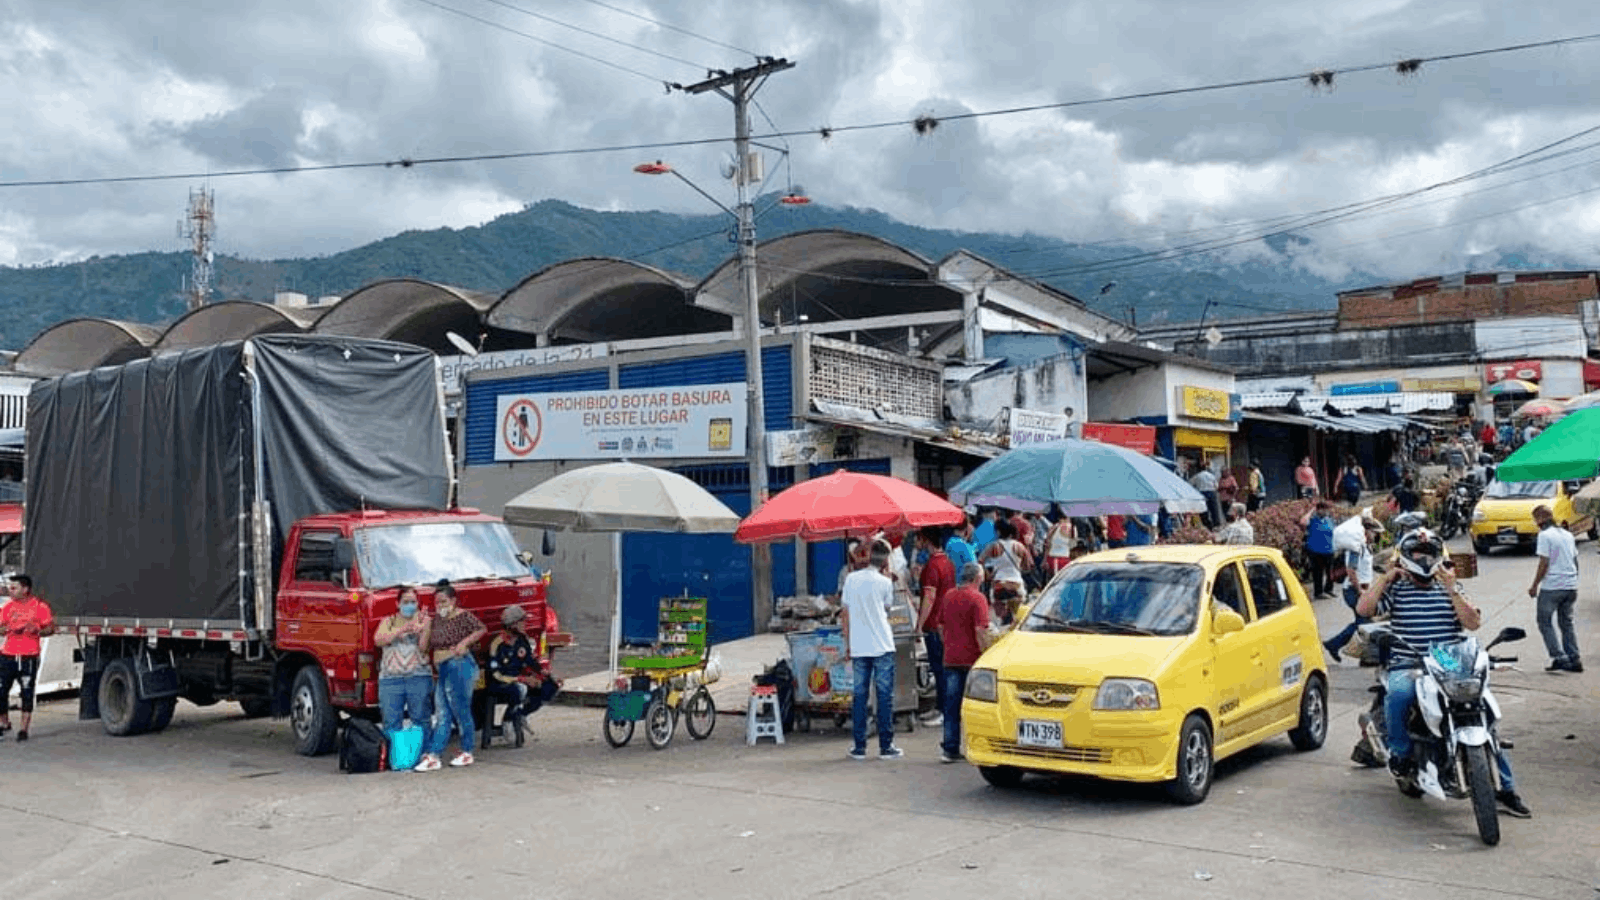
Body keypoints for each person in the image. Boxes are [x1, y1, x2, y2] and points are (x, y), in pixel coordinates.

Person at [1355, 530, 1530, 818]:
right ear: (1406, 556)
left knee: (1482, 713)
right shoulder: (1396, 588)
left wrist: (1452, 589)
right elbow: (1364, 608)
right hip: (1409, 659)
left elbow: (1472, 623)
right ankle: (1399, 754)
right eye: (1417, 553)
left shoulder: (1449, 586)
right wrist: (1385, 578)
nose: (1423, 558)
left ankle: (1507, 789)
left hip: (1448, 661)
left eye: (1429, 553)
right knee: (1399, 694)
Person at [840, 540, 902, 760]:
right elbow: (886, 609)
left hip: (859, 646)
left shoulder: (850, 579)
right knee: (884, 697)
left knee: (859, 697)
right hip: (883, 645)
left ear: (867, 556)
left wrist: (847, 644)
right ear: (885, 560)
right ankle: (886, 746)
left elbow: (844, 615)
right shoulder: (885, 583)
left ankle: (859, 747)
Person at [416, 582, 487, 771]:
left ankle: (467, 750)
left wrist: (464, 643)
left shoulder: (463, 616)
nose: (440, 606)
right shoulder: (435, 620)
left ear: (453, 600)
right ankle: (434, 754)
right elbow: (423, 647)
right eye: (437, 602)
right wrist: (424, 626)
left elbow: (481, 629)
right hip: (442, 668)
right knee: (442, 713)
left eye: (444, 601)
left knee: (460, 709)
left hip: (459, 664)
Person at [938, 562, 992, 764]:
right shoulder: (978, 598)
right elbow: (981, 631)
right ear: (977, 578)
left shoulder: (949, 596)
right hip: (972, 659)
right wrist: (987, 653)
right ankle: (980, 747)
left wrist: (950, 644)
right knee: (978, 707)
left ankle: (950, 748)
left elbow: (940, 626)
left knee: (951, 706)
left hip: (951, 658)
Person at [487, 604, 561, 739]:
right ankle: (508, 721)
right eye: (522, 621)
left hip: (520, 678)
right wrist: (522, 679)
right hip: (501, 682)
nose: (525, 624)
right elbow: (496, 674)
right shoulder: (498, 644)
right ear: (512, 624)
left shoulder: (522, 640)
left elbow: (530, 661)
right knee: (520, 689)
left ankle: (521, 714)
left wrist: (543, 674)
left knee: (550, 687)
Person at [373, 585, 433, 740]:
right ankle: (394, 757)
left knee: (421, 719)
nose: (410, 606)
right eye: (406, 602)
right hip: (391, 679)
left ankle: (424, 755)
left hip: (418, 677)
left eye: (413, 602)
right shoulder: (389, 621)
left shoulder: (424, 621)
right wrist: (401, 631)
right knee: (391, 722)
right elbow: (378, 640)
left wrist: (424, 629)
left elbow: (424, 648)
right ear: (397, 604)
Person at [1528, 505, 1583, 673]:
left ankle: (1559, 657)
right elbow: (1575, 560)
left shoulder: (1544, 536)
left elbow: (1544, 563)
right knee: (1566, 623)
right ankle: (1574, 658)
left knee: (1544, 622)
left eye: (1535, 519)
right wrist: (1573, 580)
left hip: (1553, 587)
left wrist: (1534, 585)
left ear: (1540, 519)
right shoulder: (1567, 534)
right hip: (1570, 586)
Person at [1322, 510, 1383, 662]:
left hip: (1360, 589)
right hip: (1352, 590)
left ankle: (1341, 647)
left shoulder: (1366, 547)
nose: (1375, 536)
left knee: (1362, 623)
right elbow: (1351, 570)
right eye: (1373, 532)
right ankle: (1335, 645)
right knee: (1363, 623)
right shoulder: (1357, 548)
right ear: (1366, 531)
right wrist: (1360, 591)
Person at [0, 574, 54, 741]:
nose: (10, 590)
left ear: (25, 589)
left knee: (27, 692)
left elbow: (50, 628)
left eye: (14, 588)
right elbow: (1, 627)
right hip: (7, 654)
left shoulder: (39, 607)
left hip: (28, 656)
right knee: (1, 691)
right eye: (10, 587)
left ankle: (24, 729)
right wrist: (7, 629)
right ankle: (4, 722)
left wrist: (36, 629)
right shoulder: (7, 607)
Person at [914, 527, 955, 727]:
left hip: (934, 623)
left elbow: (929, 597)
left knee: (939, 668)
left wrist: (919, 624)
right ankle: (942, 706)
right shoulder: (948, 562)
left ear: (925, 540)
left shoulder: (931, 566)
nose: (916, 543)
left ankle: (944, 710)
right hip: (945, 621)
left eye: (918, 539)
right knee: (942, 668)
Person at [980, 519, 1034, 626]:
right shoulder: (1019, 546)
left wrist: (988, 574)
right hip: (1016, 584)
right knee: (1017, 618)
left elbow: (980, 561)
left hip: (998, 583)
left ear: (999, 532)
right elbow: (1029, 565)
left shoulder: (993, 546)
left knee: (1000, 619)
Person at [1300, 501, 1336, 599]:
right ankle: (1318, 592)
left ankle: (1329, 589)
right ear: (1318, 510)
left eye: (1326, 509)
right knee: (1318, 572)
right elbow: (1302, 521)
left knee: (1330, 572)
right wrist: (1311, 511)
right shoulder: (1312, 520)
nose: (1325, 511)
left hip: (1329, 550)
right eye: (1322, 509)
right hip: (1315, 551)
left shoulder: (1329, 520)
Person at [1190, 460, 1220, 528]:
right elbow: (1216, 486)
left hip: (1202, 493)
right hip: (1211, 492)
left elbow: (1190, 484)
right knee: (1214, 509)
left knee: (1204, 510)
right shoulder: (1211, 476)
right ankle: (1216, 524)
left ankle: (1207, 524)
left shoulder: (1197, 476)